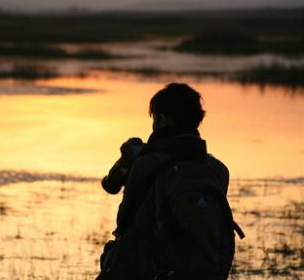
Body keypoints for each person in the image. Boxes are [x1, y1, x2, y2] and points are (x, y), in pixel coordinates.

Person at [98, 83, 242, 280]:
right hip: (204, 269)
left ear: (162, 119)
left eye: (154, 118)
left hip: (153, 270)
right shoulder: (217, 169)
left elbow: (123, 222)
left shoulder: (146, 164)